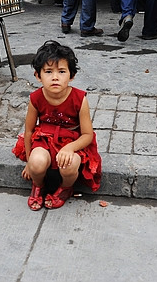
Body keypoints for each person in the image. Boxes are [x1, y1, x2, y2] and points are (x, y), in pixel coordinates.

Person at [12, 40, 102, 210]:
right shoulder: (35, 98)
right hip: (44, 140)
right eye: (48, 71)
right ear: (38, 76)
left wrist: (70, 148)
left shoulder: (80, 99)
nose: (55, 77)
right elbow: (29, 131)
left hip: (72, 142)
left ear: (72, 75)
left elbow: (88, 135)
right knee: (37, 162)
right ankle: (38, 186)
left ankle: (65, 188)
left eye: (61, 71)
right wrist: (29, 163)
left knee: (69, 166)